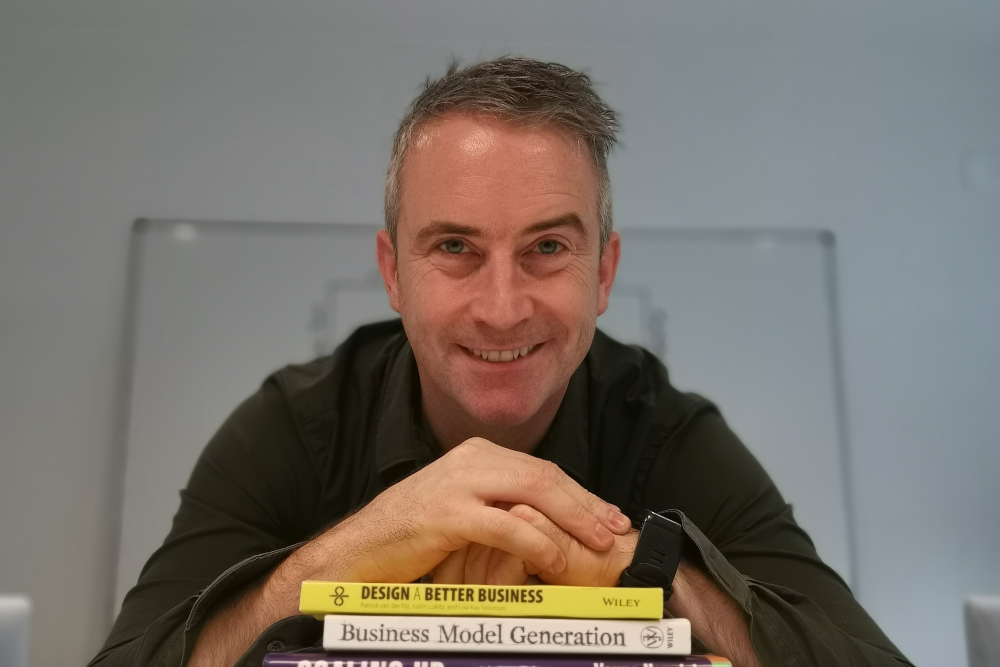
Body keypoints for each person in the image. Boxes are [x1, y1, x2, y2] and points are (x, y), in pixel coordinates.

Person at [90, 57, 911, 667]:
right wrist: (341, 556)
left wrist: (641, 570)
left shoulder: (667, 430)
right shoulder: (294, 424)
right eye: (454, 246)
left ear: (604, 273)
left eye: (547, 247)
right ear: (392, 275)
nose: (502, 306)